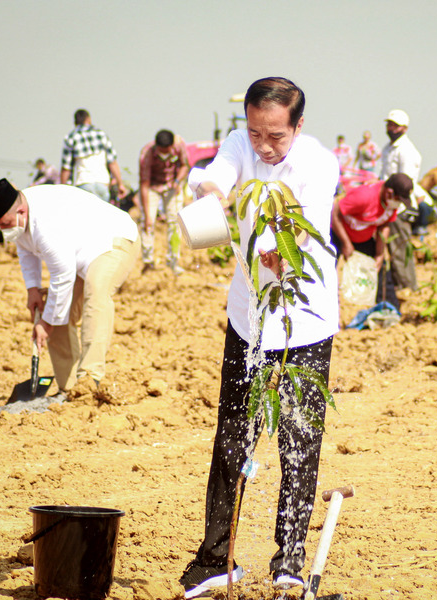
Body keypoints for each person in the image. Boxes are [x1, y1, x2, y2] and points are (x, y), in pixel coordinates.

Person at [180, 77, 339, 599]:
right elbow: (216, 176)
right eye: (255, 134)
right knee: (232, 437)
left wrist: (274, 249)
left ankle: (289, 561)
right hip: (249, 317)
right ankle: (215, 559)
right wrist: (209, 195)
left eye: (276, 136)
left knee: (298, 438)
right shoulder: (240, 145)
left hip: (305, 318)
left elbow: (302, 228)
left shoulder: (318, 163)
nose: (264, 147)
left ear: (298, 126)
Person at [0, 178, 140, 396]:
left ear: (22, 211)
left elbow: (62, 276)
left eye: (5, 224)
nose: (2, 230)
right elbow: (25, 252)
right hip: (77, 253)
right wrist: (33, 290)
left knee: (96, 291)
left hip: (112, 240)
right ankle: (70, 388)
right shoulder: (18, 217)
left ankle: (90, 377)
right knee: (55, 310)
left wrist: (45, 323)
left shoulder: (46, 223)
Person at [331, 173, 415, 309]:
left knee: (380, 269)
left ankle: (389, 309)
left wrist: (380, 254)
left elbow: (384, 225)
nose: (398, 204)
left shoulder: (390, 203)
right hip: (338, 233)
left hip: (363, 236)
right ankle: (328, 309)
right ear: (389, 193)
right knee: (327, 270)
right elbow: (335, 213)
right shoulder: (364, 197)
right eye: (398, 199)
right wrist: (346, 243)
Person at [138, 129, 190, 274]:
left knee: (175, 222)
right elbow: (144, 184)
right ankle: (148, 262)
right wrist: (148, 214)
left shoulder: (179, 147)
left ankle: (173, 261)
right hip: (153, 187)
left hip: (171, 186)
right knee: (147, 224)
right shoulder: (147, 154)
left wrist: (178, 181)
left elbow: (185, 166)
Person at [379, 109, 421, 286]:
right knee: (390, 247)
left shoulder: (407, 151)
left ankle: (407, 287)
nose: (390, 128)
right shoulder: (388, 148)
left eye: (394, 125)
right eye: (389, 124)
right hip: (387, 204)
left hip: (399, 207)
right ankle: (398, 284)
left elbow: (405, 183)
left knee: (400, 249)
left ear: (404, 128)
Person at [59, 109, 128, 203]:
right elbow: (112, 162)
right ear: (88, 119)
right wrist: (120, 184)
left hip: (83, 183)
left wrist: (62, 188)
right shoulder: (101, 134)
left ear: (75, 122)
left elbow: (66, 168)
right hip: (102, 183)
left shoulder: (71, 137)